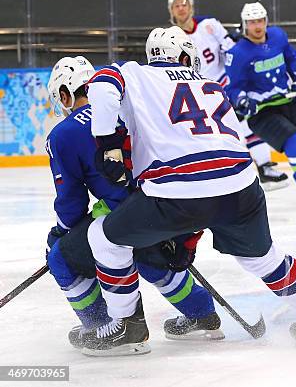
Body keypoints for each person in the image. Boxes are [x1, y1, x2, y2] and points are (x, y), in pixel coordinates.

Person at [81, 26, 296, 356]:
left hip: (177, 193)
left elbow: (101, 84)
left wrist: (108, 144)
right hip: (241, 186)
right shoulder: (212, 85)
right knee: (262, 258)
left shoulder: (136, 75)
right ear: (185, 56)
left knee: (104, 238)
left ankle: (128, 325)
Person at [44, 56, 223, 351]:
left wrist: (60, 233)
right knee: (151, 255)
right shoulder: (135, 109)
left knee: (62, 258)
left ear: (64, 94)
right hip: (171, 204)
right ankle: (203, 315)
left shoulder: (63, 134)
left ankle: (106, 327)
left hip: (129, 216)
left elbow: (72, 202)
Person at [167, 0, 288, 189]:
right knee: (203, 134)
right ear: (171, 11)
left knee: (247, 124)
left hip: (222, 86)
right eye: (176, 6)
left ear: (191, 7)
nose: (181, 8)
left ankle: (265, 166)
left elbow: (229, 48)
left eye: (184, 3)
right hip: (194, 93)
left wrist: (236, 40)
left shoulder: (209, 25)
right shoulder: (171, 37)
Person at [224, 2, 296, 203]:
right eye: (252, 22)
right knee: (295, 142)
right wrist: (242, 100)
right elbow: (234, 88)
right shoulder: (237, 54)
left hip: (286, 102)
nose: (257, 26)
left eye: (260, 21)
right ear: (244, 24)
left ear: (266, 21)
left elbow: (291, 58)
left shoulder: (278, 36)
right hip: (261, 113)